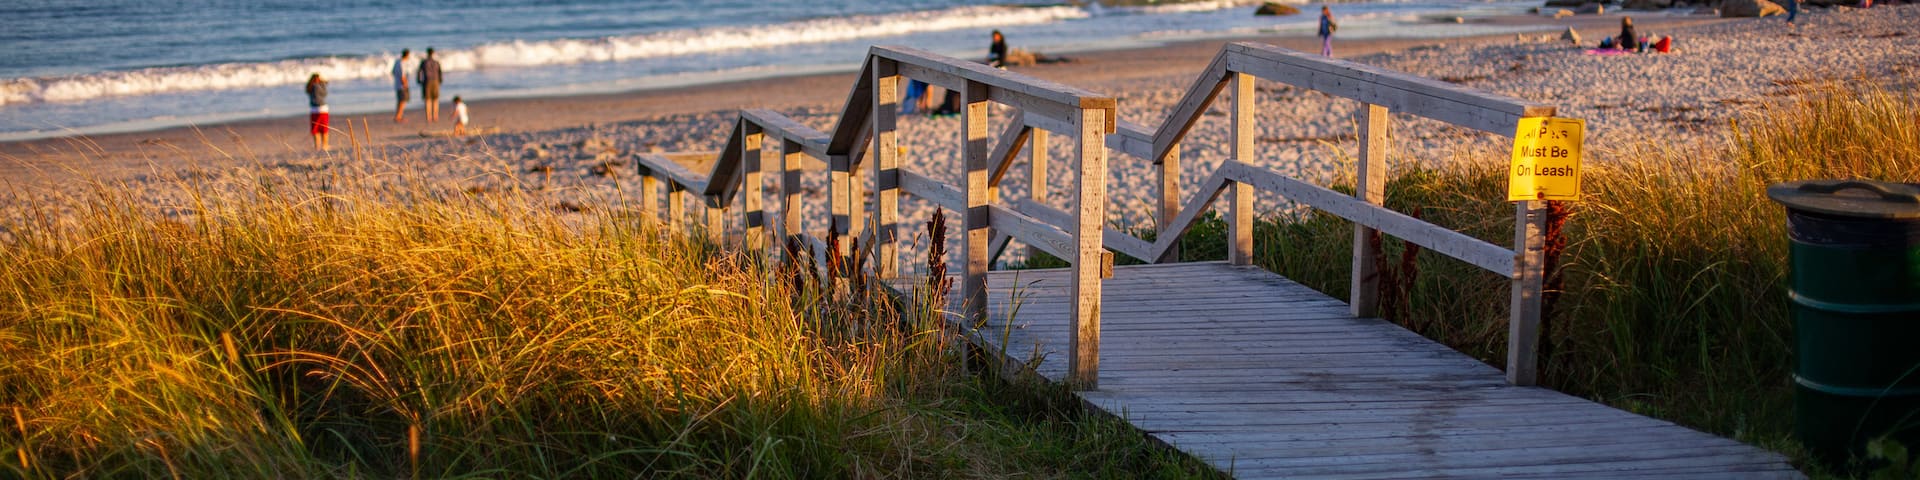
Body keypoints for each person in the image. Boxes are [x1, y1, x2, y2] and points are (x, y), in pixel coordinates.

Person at [418, 48, 444, 122]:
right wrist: (440, 80)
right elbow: (440, 72)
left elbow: (419, 72)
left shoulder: (424, 62)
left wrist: (419, 80)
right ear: (433, 53)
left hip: (427, 81)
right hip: (436, 81)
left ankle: (428, 117)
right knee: (436, 99)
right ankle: (435, 116)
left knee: (427, 100)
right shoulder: (436, 62)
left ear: (427, 53)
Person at [305, 73, 329, 151]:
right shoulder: (316, 86)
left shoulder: (310, 87)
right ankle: (325, 145)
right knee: (324, 129)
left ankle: (317, 146)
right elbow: (324, 94)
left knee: (315, 129)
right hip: (322, 109)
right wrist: (323, 84)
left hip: (313, 109)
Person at [392, 49, 411, 123]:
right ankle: (398, 116)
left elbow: (393, 72)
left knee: (400, 101)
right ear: (407, 55)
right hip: (402, 85)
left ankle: (398, 116)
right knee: (402, 101)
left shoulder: (397, 62)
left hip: (397, 84)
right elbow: (403, 76)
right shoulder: (402, 63)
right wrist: (405, 84)